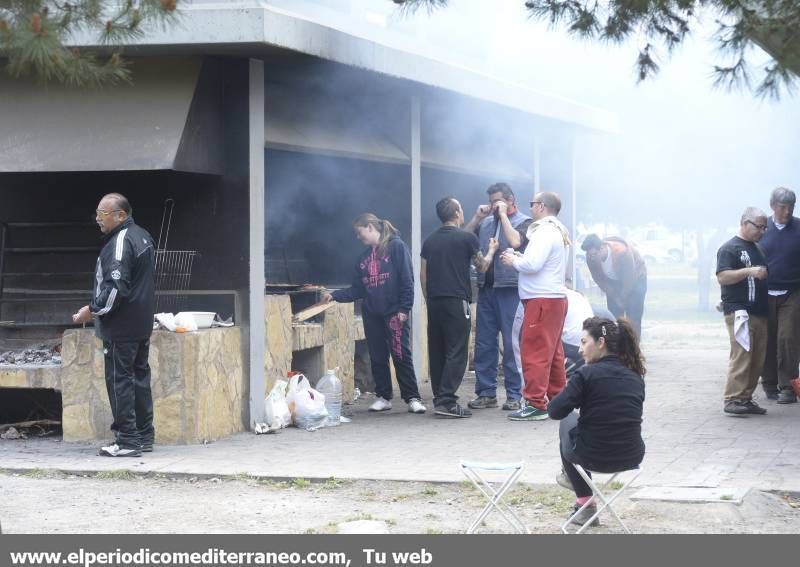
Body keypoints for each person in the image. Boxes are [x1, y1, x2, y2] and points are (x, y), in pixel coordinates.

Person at [72, 193, 156, 457]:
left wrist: (92, 310)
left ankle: (128, 441)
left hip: (122, 327)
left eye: (102, 214)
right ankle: (144, 435)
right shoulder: (143, 235)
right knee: (139, 378)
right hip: (140, 324)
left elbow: (116, 289)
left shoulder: (120, 243)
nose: (98, 219)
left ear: (121, 215)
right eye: (97, 213)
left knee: (120, 380)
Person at [322, 213, 426, 414]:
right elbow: (357, 290)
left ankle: (412, 397)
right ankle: (384, 396)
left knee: (401, 354)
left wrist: (404, 309)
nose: (358, 237)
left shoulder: (396, 247)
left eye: (359, 232)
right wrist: (334, 296)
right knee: (378, 356)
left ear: (370, 227)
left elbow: (407, 279)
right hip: (372, 314)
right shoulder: (362, 260)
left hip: (395, 314)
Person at [548, 317, 646, 527]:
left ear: (601, 343)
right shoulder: (635, 376)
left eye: (584, 342)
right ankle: (580, 493)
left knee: (568, 419)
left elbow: (555, 411)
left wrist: (569, 389)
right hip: (632, 455)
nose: (580, 350)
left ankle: (584, 503)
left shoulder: (585, 374)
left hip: (592, 456)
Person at [421, 197, 498, 418]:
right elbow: (482, 267)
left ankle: (439, 397)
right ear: (456, 213)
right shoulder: (468, 238)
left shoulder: (430, 241)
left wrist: (428, 299)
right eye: (461, 209)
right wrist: (492, 250)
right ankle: (447, 401)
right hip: (457, 302)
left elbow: (423, 274)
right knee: (456, 351)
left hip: (434, 301)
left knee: (437, 350)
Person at [500, 191, 570, 421]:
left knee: (535, 353)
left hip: (542, 301)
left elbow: (532, 264)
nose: (530, 208)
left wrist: (513, 260)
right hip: (553, 300)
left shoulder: (544, 231)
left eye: (532, 204)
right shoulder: (558, 230)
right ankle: (559, 400)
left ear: (541, 206)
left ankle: (535, 404)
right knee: (553, 353)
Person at [463, 183, 532, 411]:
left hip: (511, 289)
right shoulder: (486, 223)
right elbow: (462, 238)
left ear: (510, 200)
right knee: (484, 343)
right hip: (486, 289)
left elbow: (516, 241)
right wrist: (476, 217)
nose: (493, 205)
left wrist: (503, 215)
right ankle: (486, 392)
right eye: (491, 201)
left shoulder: (524, 222)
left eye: (497, 201)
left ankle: (515, 394)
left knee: (512, 345)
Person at [716, 207, 770, 416]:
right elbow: (722, 276)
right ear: (744, 222)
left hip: (760, 311)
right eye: (759, 226)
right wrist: (750, 271)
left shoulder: (758, 248)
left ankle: (746, 397)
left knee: (758, 357)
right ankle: (732, 398)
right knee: (742, 354)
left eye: (765, 227)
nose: (762, 231)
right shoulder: (729, 248)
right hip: (739, 310)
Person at [758, 187, 800, 403]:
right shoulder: (761, 228)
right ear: (773, 206)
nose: (787, 211)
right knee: (767, 339)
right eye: (783, 206)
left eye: (791, 206)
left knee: (787, 338)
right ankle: (769, 383)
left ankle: (789, 387)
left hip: (792, 293)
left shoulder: (799, 228)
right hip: (764, 293)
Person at [511, 286, 595, 381]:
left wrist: (524, 380)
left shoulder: (540, 297)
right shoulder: (578, 296)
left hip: (569, 349)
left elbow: (518, 338)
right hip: (590, 348)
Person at [580, 234, 648, 338]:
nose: (591, 258)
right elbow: (599, 280)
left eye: (594, 254)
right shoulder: (590, 259)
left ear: (602, 248)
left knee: (633, 316)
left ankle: (633, 349)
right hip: (614, 282)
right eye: (589, 255)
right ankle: (617, 348)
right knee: (614, 317)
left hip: (636, 278)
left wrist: (622, 298)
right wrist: (615, 298)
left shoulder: (622, 253)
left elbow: (629, 279)